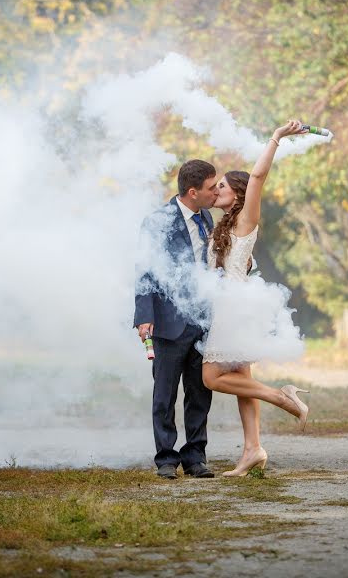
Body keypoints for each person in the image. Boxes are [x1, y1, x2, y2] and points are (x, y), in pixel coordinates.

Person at [202, 119, 310, 477]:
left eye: (221, 186)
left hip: (232, 309)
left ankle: (283, 397)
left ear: (238, 193)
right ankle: (252, 449)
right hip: (232, 307)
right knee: (241, 381)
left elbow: (259, 177)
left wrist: (276, 138)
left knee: (212, 378)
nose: (215, 190)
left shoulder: (246, 219)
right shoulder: (221, 225)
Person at [134, 159, 219, 479]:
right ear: (193, 191)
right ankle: (166, 458)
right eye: (212, 188)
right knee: (165, 394)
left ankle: (195, 456)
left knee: (200, 392)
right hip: (168, 322)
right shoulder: (157, 221)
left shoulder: (207, 217)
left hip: (202, 321)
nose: (216, 193)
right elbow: (144, 270)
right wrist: (144, 316)